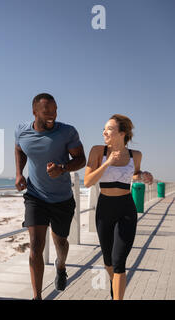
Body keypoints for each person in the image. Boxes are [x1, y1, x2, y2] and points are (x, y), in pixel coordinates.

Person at [15, 93, 86, 300]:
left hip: (62, 198)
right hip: (35, 196)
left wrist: (63, 168)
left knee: (61, 242)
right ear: (34, 112)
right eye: (47, 112)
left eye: (55, 110)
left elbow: (81, 159)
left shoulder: (67, 132)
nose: (52, 115)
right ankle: (37, 297)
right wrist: (19, 173)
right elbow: (19, 149)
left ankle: (61, 266)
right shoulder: (21, 130)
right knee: (36, 246)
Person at [84, 114, 153, 300]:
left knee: (119, 261)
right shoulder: (98, 151)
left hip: (126, 209)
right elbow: (88, 181)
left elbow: (134, 174)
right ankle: (116, 288)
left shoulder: (135, 155)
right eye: (104, 128)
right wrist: (107, 163)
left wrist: (144, 175)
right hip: (105, 209)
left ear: (122, 133)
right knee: (108, 260)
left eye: (109, 129)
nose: (104, 132)